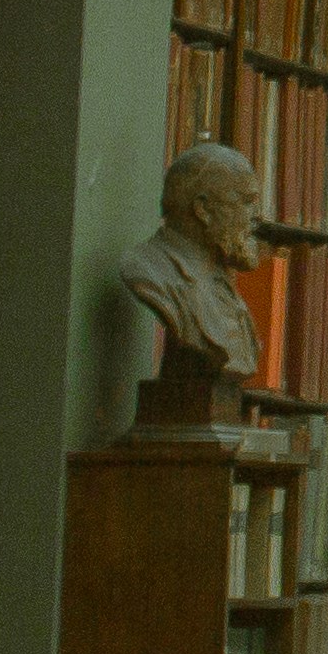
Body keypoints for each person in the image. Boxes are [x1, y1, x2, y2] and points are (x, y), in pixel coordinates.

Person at [118, 139, 264, 436]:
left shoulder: (222, 283)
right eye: (245, 202)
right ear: (203, 209)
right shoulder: (150, 270)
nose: (256, 217)